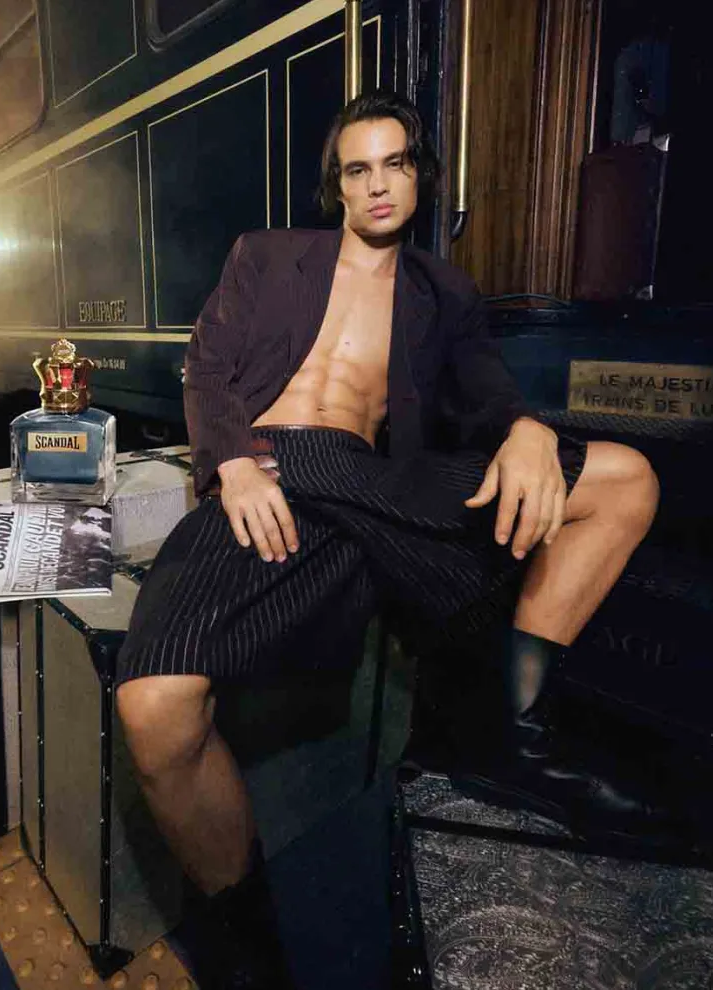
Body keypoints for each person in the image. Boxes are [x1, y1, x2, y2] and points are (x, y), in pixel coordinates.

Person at [115, 90, 662, 988]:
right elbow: (206, 367)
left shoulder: (444, 291)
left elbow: (485, 388)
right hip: (267, 474)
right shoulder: (266, 255)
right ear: (337, 185)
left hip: (371, 482)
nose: (377, 184)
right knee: (154, 708)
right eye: (358, 169)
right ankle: (247, 933)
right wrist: (235, 466)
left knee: (627, 479)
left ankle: (519, 739)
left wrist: (526, 428)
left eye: (395, 164)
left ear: (419, 175)